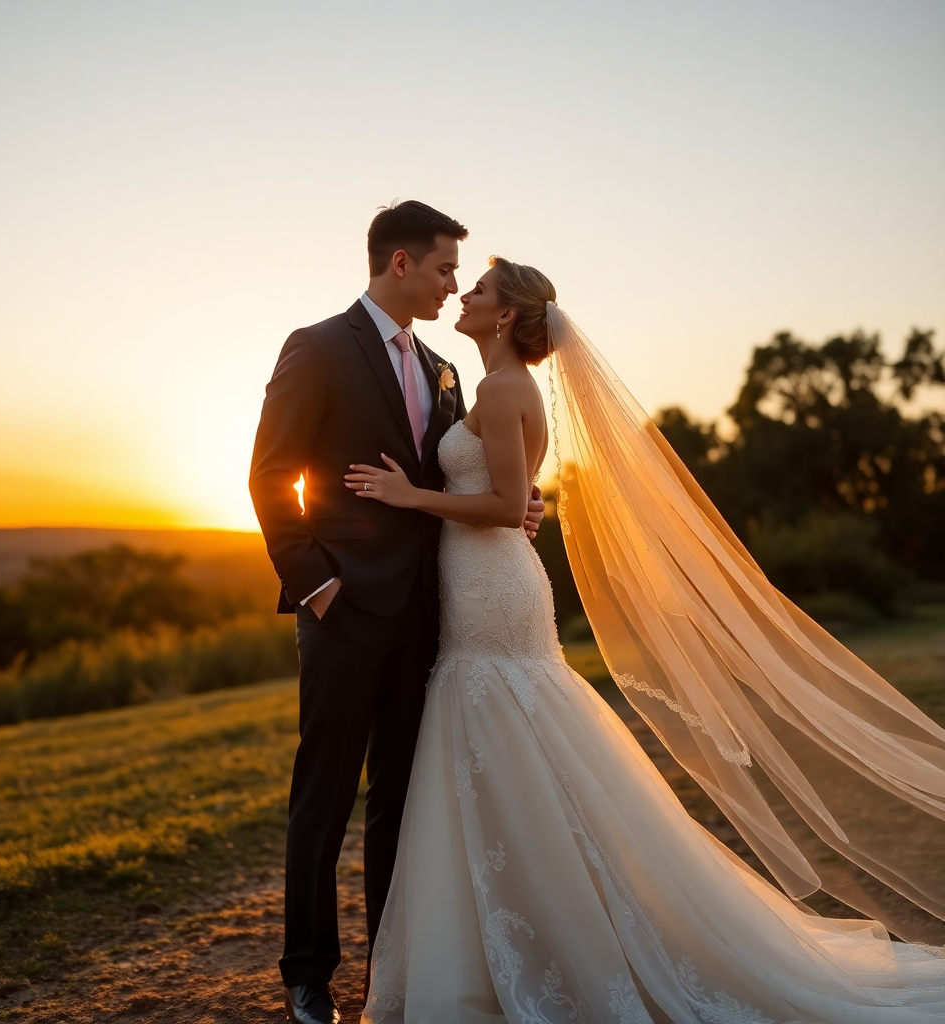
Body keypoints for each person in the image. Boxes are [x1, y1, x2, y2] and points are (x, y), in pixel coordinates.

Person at [346, 256, 945, 1022]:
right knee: (510, 745)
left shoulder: (501, 388)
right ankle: (515, 937)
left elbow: (501, 505)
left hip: (493, 585)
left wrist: (408, 494)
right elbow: (520, 497)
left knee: (505, 729)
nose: (466, 294)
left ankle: (546, 941)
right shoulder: (499, 388)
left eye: (482, 289)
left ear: (504, 318)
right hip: (487, 581)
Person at [249, 204, 545, 1024]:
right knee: (324, 795)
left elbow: (469, 479)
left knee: (400, 803)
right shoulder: (316, 347)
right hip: (343, 609)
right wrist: (317, 586)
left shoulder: (447, 369)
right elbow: (271, 476)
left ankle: (391, 969)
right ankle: (307, 975)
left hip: (431, 613)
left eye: (462, 275)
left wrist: (520, 503)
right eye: (448, 269)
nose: (454, 284)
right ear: (403, 262)